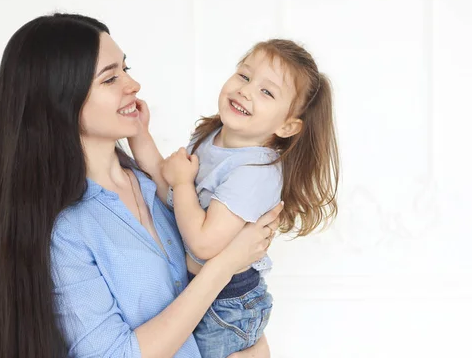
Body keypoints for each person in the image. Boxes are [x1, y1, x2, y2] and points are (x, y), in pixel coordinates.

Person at [0, 13, 281, 358]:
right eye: (109, 78)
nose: (133, 86)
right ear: (61, 98)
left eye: (125, 70)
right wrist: (226, 265)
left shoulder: (155, 184)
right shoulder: (64, 229)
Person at [128, 39, 339, 357]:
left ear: (287, 126)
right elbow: (169, 188)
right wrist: (139, 133)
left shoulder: (256, 169)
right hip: (200, 290)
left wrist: (184, 183)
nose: (247, 90)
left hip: (227, 305)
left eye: (267, 92)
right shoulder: (211, 137)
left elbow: (203, 243)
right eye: (244, 76)